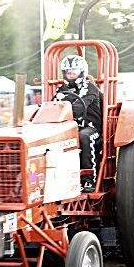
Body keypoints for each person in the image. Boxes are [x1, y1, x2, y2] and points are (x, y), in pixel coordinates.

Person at [53, 55, 103, 192]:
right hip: (69, 127)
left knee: (84, 137)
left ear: (81, 72)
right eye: (68, 72)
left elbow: (77, 109)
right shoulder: (61, 90)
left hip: (90, 127)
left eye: (73, 72)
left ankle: (89, 179)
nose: (70, 75)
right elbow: (52, 106)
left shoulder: (89, 88)